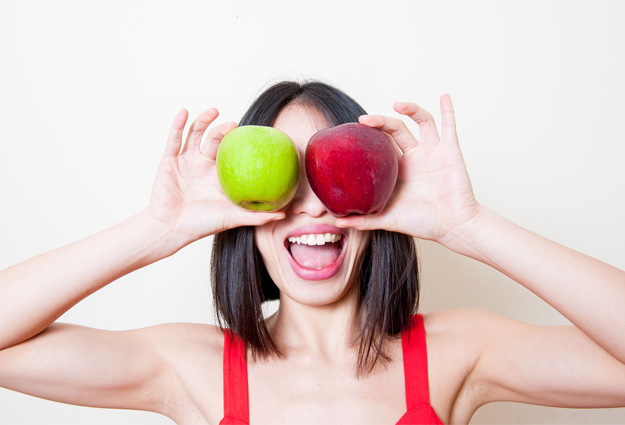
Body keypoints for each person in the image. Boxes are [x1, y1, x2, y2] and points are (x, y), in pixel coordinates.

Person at [0, 80, 624, 425]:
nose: (312, 209)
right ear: (245, 211)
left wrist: (469, 226)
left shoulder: (458, 351)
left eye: (331, 179)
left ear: (378, 194)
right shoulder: (189, 366)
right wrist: (157, 229)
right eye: (287, 182)